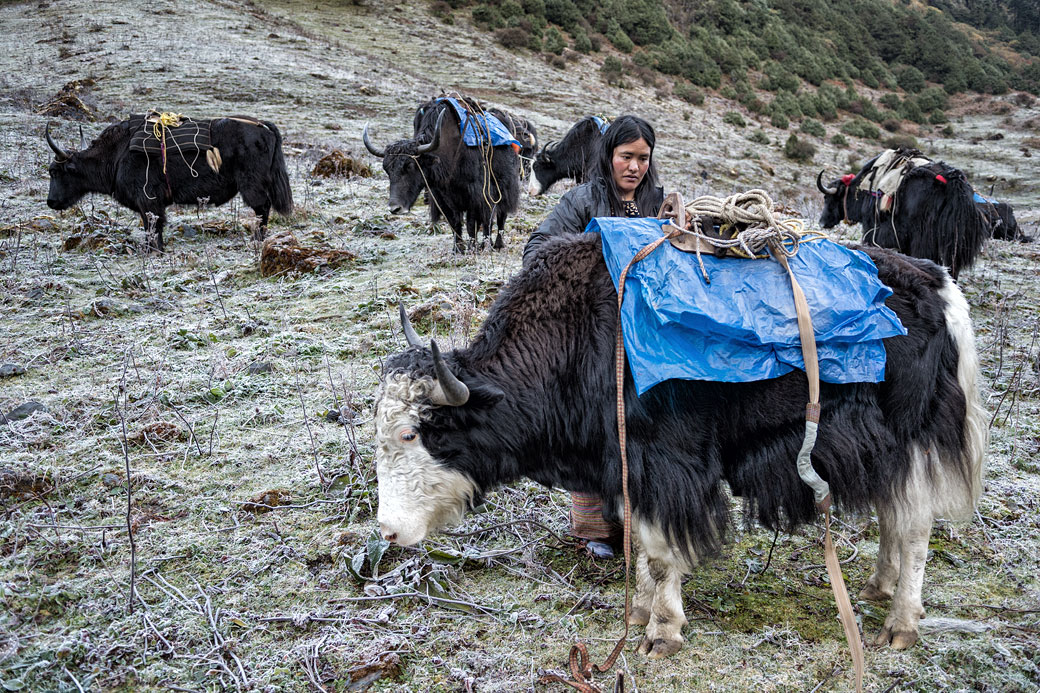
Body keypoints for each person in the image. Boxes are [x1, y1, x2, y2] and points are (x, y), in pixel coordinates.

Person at [522, 115, 663, 558]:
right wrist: (587, 263)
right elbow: (537, 249)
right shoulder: (583, 199)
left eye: (643, 158)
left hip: (645, 336)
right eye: (626, 156)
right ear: (608, 156)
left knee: (644, 429)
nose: (634, 167)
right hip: (592, 340)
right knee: (593, 427)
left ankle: (640, 521)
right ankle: (595, 529)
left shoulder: (660, 202)